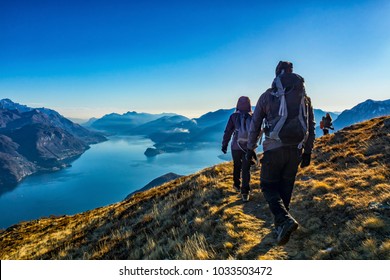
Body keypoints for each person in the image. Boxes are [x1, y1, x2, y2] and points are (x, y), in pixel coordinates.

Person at [246, 61, 315, 245]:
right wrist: (307, 151)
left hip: (273, 149)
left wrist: (250, 148)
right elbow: (310, 125)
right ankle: (281, 226)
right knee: (285, 187)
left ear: (276, 75)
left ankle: (283, 221)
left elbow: (255, 126)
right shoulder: (304, 98)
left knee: (268, 186)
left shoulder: (267, 96)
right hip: (296, 149)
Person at [222, 96, 254, 202]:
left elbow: (228, 132)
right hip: (248, 147)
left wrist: (224, 145)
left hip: (236, 146)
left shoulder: (234, 116)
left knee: (237, 165)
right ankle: (245, 193)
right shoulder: (253, 116)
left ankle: (236, 185)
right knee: (246, 168)